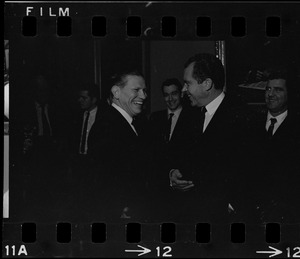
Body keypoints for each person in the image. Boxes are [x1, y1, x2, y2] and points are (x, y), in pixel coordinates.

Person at [168, 53, 251, 223]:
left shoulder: (242, 116)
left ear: (207, 84)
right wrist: (172, 173)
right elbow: (173, 153)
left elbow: (249, 173)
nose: (184, 90)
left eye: (188, 83)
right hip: (188, 217)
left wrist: (229, 206)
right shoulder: (189, 114)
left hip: (224, 222)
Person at [84, 70, 150, 222]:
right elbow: (103, 180)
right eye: (136, 90)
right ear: (116, 92)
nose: (143, 96)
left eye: (144, 90)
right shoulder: (106, 126)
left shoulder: (135, 123)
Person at [249, 66, 300, 223]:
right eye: (268, 89)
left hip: (287, 213)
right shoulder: (250, 125)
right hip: (251, 211)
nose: (270, 94)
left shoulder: (296, 128)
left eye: (277, 90)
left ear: (288, 93)